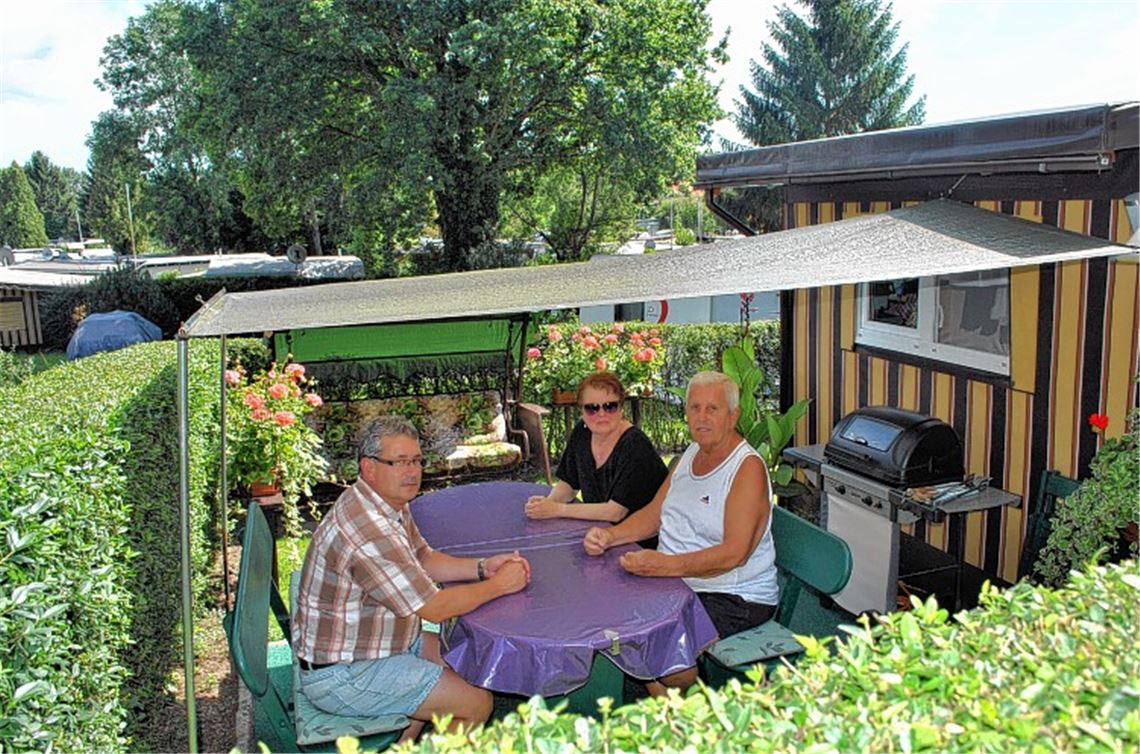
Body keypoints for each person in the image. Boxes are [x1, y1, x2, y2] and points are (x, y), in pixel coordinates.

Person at [292, 416, 531, 743]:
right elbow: (434, 609)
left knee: (469, 657)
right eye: (399, 462)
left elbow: (424, 558)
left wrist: (482, 567)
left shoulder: (386, 503)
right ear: (369, 467)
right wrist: (499, 585)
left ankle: (403, 744)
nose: (412, 471)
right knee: (475, 703)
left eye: (416, 460)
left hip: (380, 644)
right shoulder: (369, 530)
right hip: (343, 674)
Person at [582, 371, 778, 695]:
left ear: (733, 415)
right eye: (693, 408)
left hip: (734, 594)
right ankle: (662, 695)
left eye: (712, 409)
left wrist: (662, 566)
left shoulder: (747, 468)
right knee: (607, 608)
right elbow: (654, 514)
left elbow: (734, 553)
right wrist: (610, 536)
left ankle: (681, 699)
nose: (700, 418)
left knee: (662, 651)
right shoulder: (692, 452)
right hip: (678, 582)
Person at [524, 372, 667, 542]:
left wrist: (557, 509)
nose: (601, 414)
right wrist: (546, 504)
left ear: (621, 408)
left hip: (640, 543)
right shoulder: (582, 433)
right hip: (599, 537)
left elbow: (615, 512)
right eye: (592, 408)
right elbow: (569, 485)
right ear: (581, 411)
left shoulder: (635, 444)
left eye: (610, 407)